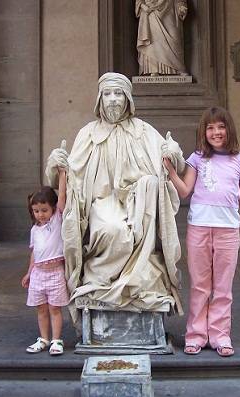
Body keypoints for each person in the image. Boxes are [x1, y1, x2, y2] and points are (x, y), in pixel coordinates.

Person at [45, 72, 185, 331]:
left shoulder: (144, 131)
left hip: (138, 202)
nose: (112, 100)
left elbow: (169, 164)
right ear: (100, 99)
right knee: (113, 230)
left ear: (128, 99)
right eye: (107, 94)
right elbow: (70, 175)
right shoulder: (88, 133)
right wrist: (56, 163)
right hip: (103, 201)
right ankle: (104, 281)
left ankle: (137, 281)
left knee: (141, 209)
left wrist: (172, 154)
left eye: (118, 93)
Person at [163, 106, 240, 357]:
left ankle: (220, 335)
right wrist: (171, 171)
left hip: (227, 230)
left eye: (221, 126)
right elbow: (184, 191)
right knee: (201, 285)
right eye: (210, 127)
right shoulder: (197, 158)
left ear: (229, 130)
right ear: (204, 132)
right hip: (199, 229)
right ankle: (196, 335)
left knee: (223, 287)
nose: (216, 132)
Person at [21, 165, 69, 355]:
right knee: (41, 309)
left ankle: (56, 340)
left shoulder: (57, 221)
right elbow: (34, 252)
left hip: (55, 272)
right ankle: (43, 338)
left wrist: (62, 175)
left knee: (54, 308)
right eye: (36, 211)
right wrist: (29, 272)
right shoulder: (35, 230)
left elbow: (63, 198)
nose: (40, 214)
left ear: (52, 209)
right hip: (39, 273)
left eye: (44, 210)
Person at [136, 0, 188, 76]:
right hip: (151, 11)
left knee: (174, 38)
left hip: (170, 9)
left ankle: (177, 68)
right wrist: (143, 6)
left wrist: (181, 6)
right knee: (154, 41)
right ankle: (154, 68)